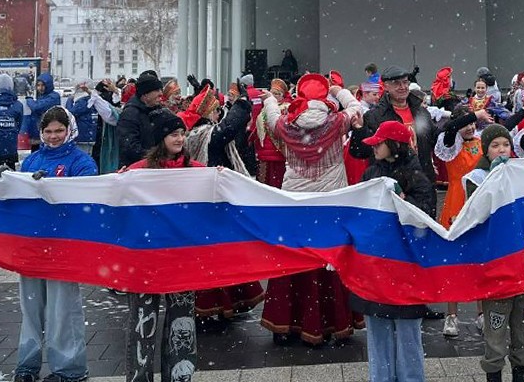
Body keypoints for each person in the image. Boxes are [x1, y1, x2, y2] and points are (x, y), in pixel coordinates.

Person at [260, 74, 365, 346]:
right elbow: (356, 107)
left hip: (295, 203)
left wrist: (271, 99)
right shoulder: (337, 123)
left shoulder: (285, 124)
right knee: (329, 259)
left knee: (294, 258)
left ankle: (287, 323)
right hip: (331, 202)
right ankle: (332, 322)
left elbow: (270, 114)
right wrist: (339, 91)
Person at [13, 106, 96, 382]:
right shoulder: (31, 161)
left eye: (59, 130)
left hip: (63, 245)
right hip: (33, 244)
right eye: (48, 131)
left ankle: (70, 369)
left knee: (63, 309)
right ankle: (27, 364)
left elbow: (84, 199)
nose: (53, 136)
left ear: (70, 130)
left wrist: (50, 188)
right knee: (30, 308)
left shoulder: (82, 162)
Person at [350, 120, 434, 382]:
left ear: (394, 145)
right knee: (378, 332)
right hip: (375, 266)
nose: (374, 147)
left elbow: (426, 217)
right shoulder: (371, 173)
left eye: (379, 143)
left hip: (405, 267)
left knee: (408, 333)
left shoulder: (416, 176)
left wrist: (403, 200)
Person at [123, 108, 202, 382]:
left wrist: (220, 177)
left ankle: (179, 375)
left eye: (182, 134)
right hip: (147, 258)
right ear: (160, 138)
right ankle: (139, 376)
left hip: (181, 257)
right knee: (143, 322)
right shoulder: (139, 171)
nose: (180, 139)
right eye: (173, 134)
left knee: (182, 321)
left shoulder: (195, 171)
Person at [183, 83, 265, 321]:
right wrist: (242, 102)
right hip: (212, 203)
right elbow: (229, 128)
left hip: (206, 201)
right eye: (217, 109)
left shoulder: (193, 133)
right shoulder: (205, 136)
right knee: (219, 256)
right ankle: (215, 307)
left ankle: (223, 303)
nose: (219, 114)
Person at [467, 125, 524, 382]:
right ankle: (494, 374)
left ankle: (521, 373)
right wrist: (493, 181)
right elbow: (476, 217)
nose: (501, 150)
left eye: (505, 144)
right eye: (495, 145)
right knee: (495, 335)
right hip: (497, 271)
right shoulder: (476, 178)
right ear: (486, 150)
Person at [432, 103, 488, 336]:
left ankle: (482, 313)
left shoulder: (481, 141)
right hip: (456, 201)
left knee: (480, 259)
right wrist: (471, 115)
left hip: (479, 200)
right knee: (453, 260)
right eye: (465, 124)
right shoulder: (450, 144)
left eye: (473, 124)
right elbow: (450, 128)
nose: (470, 128)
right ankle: (451, 316)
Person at [351, 65, 437, 193]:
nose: (403, 87)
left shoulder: (421, 112)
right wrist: (359, 130)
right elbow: (360, 152)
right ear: (385, 86)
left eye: (405, 82)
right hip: (390, 184)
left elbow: (434, 139)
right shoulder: (375, 115)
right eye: (396, 83)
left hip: (421, 182)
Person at [117, 72, 164, 168]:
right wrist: (156, 157)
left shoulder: (157, 110)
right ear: (145, 95)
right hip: (137, 170)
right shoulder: (130, 114)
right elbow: (130, 147)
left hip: (155, 166)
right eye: (156, 90)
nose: (161, 93)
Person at [22, 72, 61, 152]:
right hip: (37, 135)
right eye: (38, 85)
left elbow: (36, 107)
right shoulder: (42, 97)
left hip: (46, 134)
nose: (40, 88)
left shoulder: (53, 97)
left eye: (43, 85)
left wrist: (29, 100)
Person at [65, 80, 99, 157]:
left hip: (82, 135)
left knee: (81, 157)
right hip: (89, 135)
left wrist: (69, 100)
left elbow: (70, 114)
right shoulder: (92, 100)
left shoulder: (83, 100)